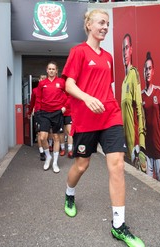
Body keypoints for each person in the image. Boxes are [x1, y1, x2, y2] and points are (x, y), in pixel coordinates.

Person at [62, 9, 144, 247]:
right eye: (100, 22)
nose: (105, 27)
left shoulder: (108, 57)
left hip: (110, 114)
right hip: (86, 119)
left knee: (117, 165)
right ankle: (69, 194)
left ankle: (118, 226)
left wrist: (105, 102)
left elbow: (104, 87)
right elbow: (69, 84)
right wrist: (87, 98)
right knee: (82, 164)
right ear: (88, 25)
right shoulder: (78, 52)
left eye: (107, 24)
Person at [121, 33, 146, 171]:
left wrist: (141, 144)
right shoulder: (123, 82)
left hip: (135, 146)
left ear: (131, 49)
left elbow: (139, 109)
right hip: (126, 145)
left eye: (127, 48)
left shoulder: (133, 73)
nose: (125, 52)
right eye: (122, 49)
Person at [37, 61, 66, 173]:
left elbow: (68, 95)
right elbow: (38, 98)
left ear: (56, 71)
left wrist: (64, 107)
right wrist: (38, 110)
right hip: (44, 113)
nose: (51, 71)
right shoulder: (42, 83)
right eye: (49, 69)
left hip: (57, 113)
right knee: (43, 137)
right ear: (46, 70)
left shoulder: (61, 82)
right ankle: (48, 157)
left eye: (53, 69)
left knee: (56, 138)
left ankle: (55, 162)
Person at [141, 52, 160, 182]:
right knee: (148, 183)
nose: (148, 72)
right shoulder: (141, 96)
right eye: (146, 69)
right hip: (147, 150)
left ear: (153, 71)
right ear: (143, 72)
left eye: (150, 69)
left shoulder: (159, 92)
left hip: (159, 148)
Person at [28, 74, 47, 161]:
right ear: (39, 80)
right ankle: (41, 152)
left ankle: (47, 149)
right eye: (41, 78)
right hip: (38, 113)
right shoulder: (35, 90)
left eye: (44, 78)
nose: (43, 80)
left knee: (47, 134)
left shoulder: (49, 89)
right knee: (39, 134)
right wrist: (29, 112)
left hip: (48, 113)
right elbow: (32, 103)